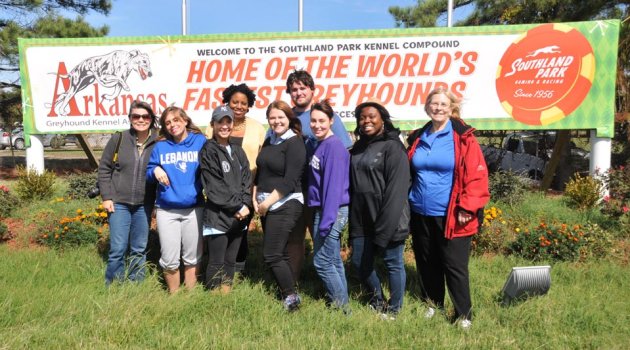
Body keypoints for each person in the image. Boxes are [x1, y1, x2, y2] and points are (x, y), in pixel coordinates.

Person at [406, 88, 490, 329]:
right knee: (426, 261)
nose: (438, 108)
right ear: (427, 107)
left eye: (443, 104)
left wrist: (468, 207)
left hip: (453, 213)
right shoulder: (419, 136)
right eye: (434, 104)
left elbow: (476, 175)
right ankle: (433, 304)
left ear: (451, 107)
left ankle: (464, 314)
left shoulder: (463, 137)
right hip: (420, 211)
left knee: (454, 265)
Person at [284, 69, 353, 281]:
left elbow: (344, 152)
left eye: (303, 88)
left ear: (312, 90)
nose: (298, 93)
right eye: (294, 89)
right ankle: (294, 284)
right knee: (295, 239)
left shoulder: (326, 117)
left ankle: (327, 285)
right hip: (294, 189)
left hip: (321, 191)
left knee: (321, 239)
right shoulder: (286, 116)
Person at [349, 99, 410, 320]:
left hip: (389, 217)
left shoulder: (393, 147)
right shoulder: (358, 147)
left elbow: (397, 191)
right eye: (362, 117)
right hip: (361, 218)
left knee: (393, 263)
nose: (366, 121)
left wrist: (384, 230)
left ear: (382, 119)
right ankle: (377, 301)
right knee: (359, 262)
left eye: (371, 116)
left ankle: (394, 310)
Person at [205, 83, 265, 275]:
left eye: (243, 103)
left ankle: (238, 271)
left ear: (249, 106)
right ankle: (217, 275)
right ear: (228, 103)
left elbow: (262, 158)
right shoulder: (213, 127)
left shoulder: (257, 128)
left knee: (241, 233)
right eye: (235, 102)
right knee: (220, 234)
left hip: (246, 190)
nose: (239, 106)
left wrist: (249, 196)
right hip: (221, 192)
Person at [146, 106, 207, 293]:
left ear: (185, 120)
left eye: (176, 120)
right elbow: (148, 172)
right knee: (169, 258)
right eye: (168, 123)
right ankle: (174, 295)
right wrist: (155, 170)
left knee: (193, 257)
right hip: (167, 210)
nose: (173, 125)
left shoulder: (200, 141)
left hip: (194, 208)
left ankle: (190, 295)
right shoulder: (161, 146)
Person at [98, 100, 159, 286]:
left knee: (139, 248)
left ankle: (135, 284)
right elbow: (104, 168)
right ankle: (114, 284)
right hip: (119, 202)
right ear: (130, 118)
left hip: (144, 203)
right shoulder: (120, 139)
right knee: (118, 248)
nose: (141, 119)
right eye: (136, 116)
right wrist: (107, 197)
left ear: (151, 118)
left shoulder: (159, 140)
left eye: (145, 116)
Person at [254, 100, 306, 311]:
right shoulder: (270, 140)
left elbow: (289, 181)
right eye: (272, 118)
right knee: (281, 252)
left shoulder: (295, 143)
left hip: (285, 203)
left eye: (280, 117)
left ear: (289, 119)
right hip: (266, 204)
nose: (276, 121)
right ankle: (286, 291)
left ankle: (291, 299)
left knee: (272, 254)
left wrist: (265, 203)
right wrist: (255, 196)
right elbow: (262, 172)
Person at [200, 105, 253, 293]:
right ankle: (214, 298)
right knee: (217, 260)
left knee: (231, 260)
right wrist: (238, 206)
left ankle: (226, 295)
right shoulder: (208, 150)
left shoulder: (238, 150)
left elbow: (247, 179)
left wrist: (246, 204)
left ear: (232, 124)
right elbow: (214, 186)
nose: (224, 126)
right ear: (212, 124)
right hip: (218, 216)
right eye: (219, 122)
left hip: (240, 215)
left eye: (227, 121)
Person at [306, 99, 351, 312]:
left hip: (330, 210)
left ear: (331, 121)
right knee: (333, 260)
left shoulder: (333, 147)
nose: (317, 125)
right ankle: (344, 306)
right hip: (326, 209)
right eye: (313, 121)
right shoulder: (322, 144)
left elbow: (333, 188)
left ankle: (341, 309)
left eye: (322, 121)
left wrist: (326, 221)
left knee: (322, 262)